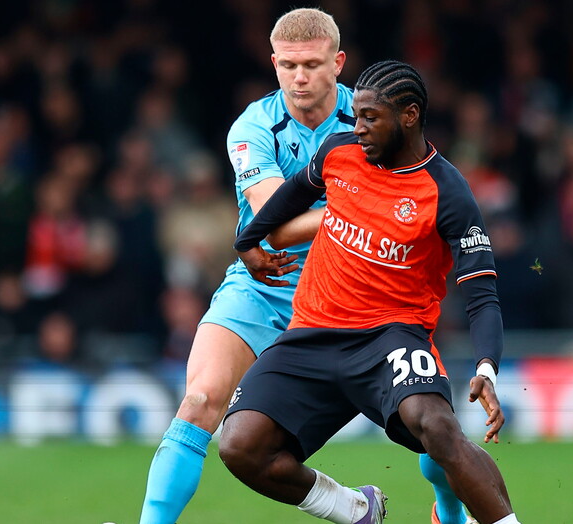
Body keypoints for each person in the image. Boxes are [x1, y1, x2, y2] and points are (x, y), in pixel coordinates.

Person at [139, 9, 475, 524]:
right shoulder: (252, 128)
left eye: (313, 64)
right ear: (274, 63)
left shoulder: (371, 118)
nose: (300, 77)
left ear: (338, 63)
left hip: (361, 294)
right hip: (264, 284)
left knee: (431, 429)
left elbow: (420, 190)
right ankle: (348, 507)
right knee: (201, 399)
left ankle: (450, 517)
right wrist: (361, 206)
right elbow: (274, 220)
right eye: (289, 65)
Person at [219, 60, 521, 524]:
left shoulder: (448, 191)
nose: (356, 127)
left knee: (440, 432)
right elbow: (296, 192)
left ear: (410, 115)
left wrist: (488, 368)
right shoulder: (340, 152)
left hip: (391, 338)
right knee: (239, 445)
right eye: (356, 115)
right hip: (313, 334)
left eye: (370, 117)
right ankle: (355, 508)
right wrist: (248, 241)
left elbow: (481, 292)